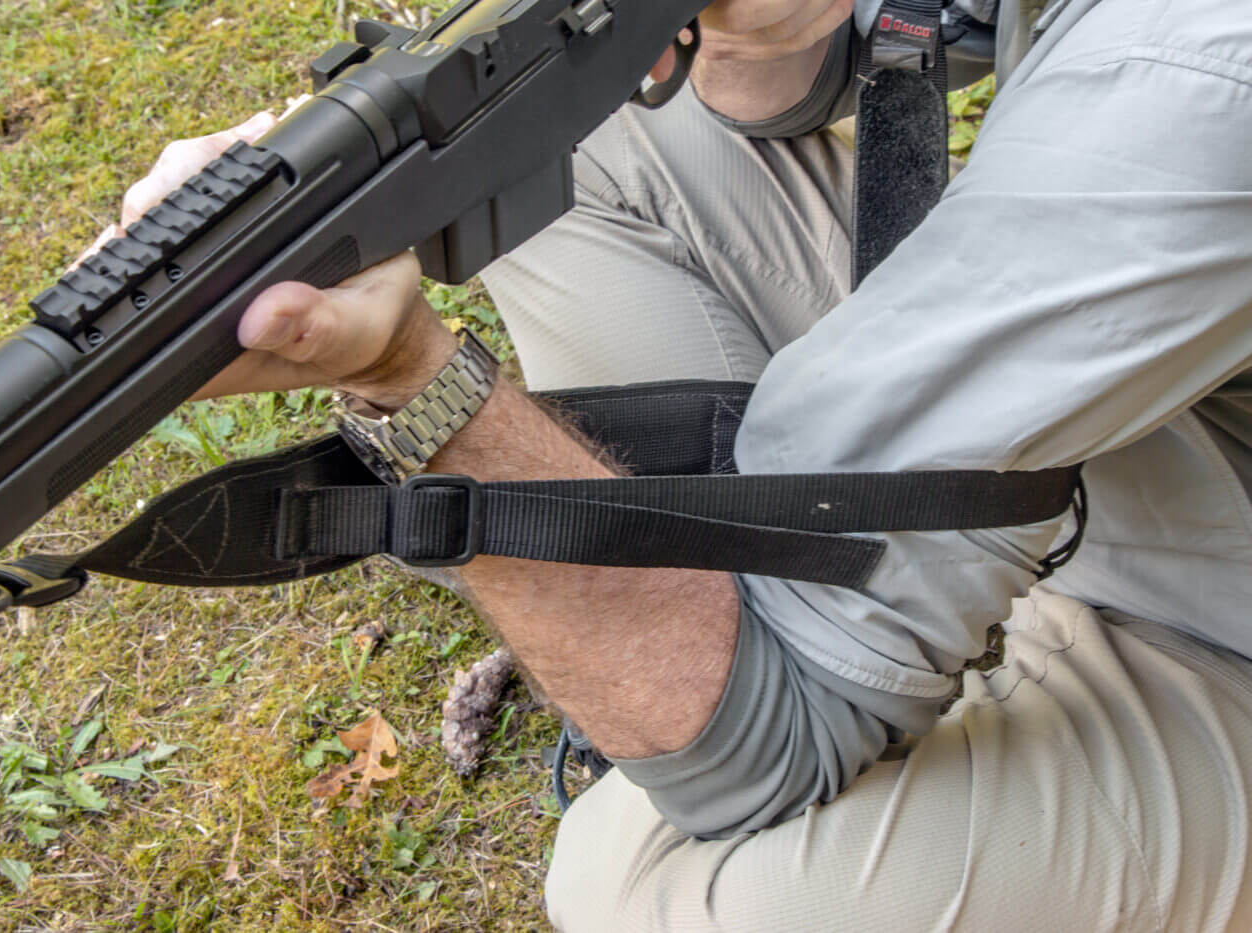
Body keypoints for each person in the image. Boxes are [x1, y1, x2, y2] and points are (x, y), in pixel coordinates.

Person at [88, 0, 1252, 927]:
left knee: (651, 887)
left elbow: (766, 755)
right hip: (1143, 435)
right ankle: (705, 604)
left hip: (1201, 615)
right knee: (564, 119)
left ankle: (733, 632)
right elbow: (828, 66)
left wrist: (408, 377)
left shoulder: (1183, 78)